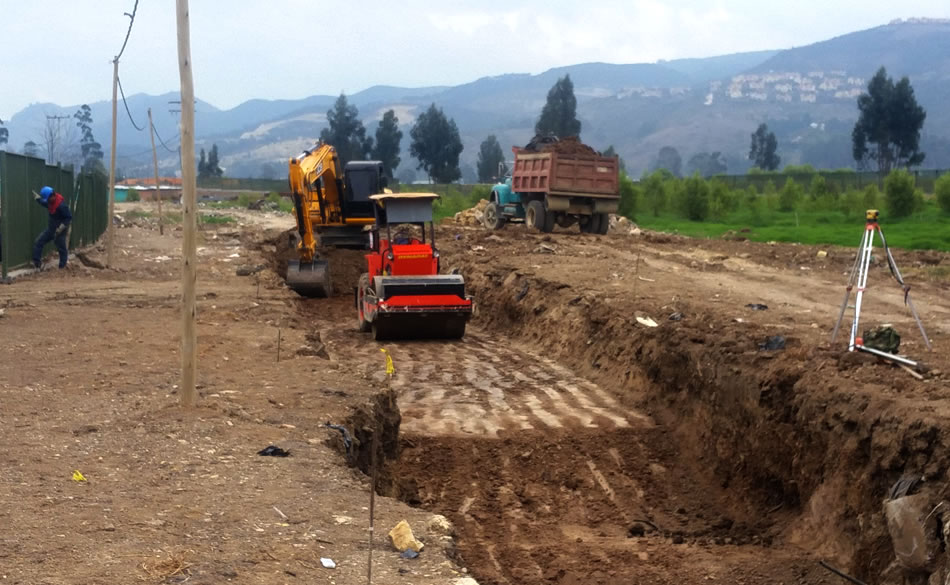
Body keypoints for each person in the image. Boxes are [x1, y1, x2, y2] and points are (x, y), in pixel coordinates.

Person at [32, 186, 72, 269]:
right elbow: (44, 203)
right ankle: (37, 263)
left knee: (62, 249)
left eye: (48, 199)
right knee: (38, 242)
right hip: (51, 229)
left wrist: (60, 228)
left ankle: (62, 267)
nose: (48, 201)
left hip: (60, 231)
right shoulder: (51, 202)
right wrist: (38, 199)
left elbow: (68, 217)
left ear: (52, 195)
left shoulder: (61, 205)